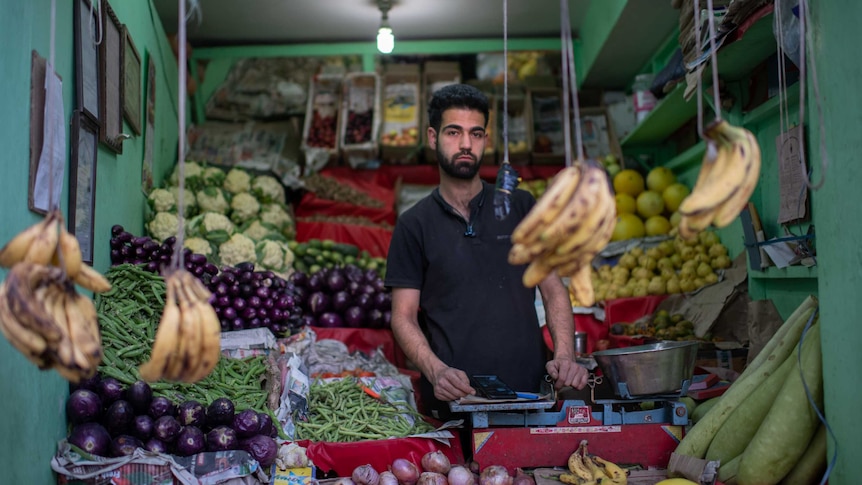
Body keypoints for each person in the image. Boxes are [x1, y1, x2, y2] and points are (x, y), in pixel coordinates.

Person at [384, 84, 589, 420]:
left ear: (486, 140)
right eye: (454, 132)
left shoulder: (521, 206)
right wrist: (435, 371)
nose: (466, 144)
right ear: (433, 138)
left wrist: (565, 356)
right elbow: (403, 316)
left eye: (475, 133)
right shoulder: (413, 224)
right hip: (455, 402)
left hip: (530, 396)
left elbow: (553, 290)